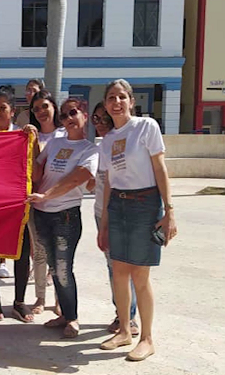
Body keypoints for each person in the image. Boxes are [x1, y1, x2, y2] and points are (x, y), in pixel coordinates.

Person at [98, 79, 177, 361]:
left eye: (121, 97)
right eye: (111, 98)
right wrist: (104, 221)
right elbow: (108, 182)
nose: (116, 102)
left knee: (140, 275)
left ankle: (146, 338)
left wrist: (169, 212)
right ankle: (123, 330)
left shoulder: (146, 127)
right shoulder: (106, 140)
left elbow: (160, 167)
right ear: (106, 105)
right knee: (118, 272)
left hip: (146, 203)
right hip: (118, 204)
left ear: (131, 101)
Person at [27, 97, 99, 338]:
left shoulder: (90, 150)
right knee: (54, 268)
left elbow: (76, 179)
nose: (69, 118)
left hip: (65, 216)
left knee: (63, 268)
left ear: (84, 116)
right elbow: (37, 170)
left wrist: (45, 194)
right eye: (65, 115)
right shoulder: (55, 143)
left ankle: (73, 318)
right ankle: (64, 315)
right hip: (42, 214)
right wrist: (32, 142)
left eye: (74, 113)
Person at [0, 86, 33, 322]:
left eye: (3, 108)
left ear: (13, 111)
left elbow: (36, 164)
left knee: (21, 254)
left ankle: (19, 302)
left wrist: (33, 138)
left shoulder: (23, 136)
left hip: (16, 207)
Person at [92, 102, 140, 336]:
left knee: (122, 267)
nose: (100, 124)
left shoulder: (123, 145)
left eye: (105, 119)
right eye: (96, 119)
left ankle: (128, 318)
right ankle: (122, 314)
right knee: (113, 266)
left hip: (119, 213)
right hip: (101, 212)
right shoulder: (102, 146)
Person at [28, 89, 68, 315]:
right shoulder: (30, 136)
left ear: (54, 107)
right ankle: (40, 298)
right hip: (36, 203)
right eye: (36, 109)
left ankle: (59, 299)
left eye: (45, 106)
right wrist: (31, 141)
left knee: (59, 254)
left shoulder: (65, 135)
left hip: (61, 205)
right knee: (40, 253)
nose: (42, 112)